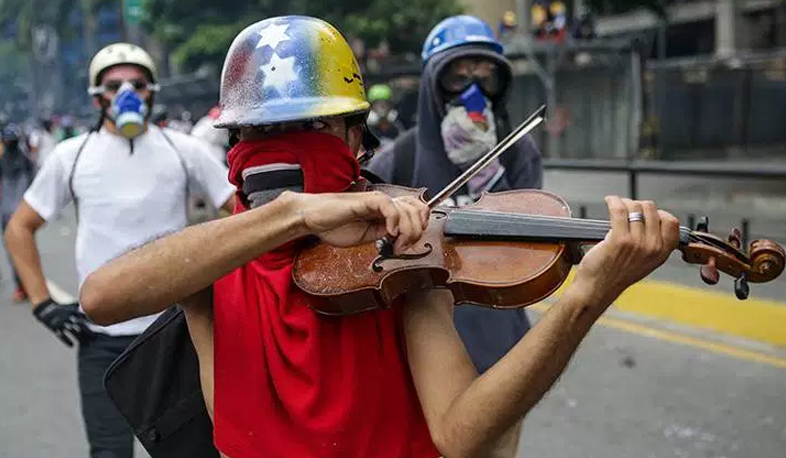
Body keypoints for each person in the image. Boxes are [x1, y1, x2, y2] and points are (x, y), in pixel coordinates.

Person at [79, 16, 681, 458]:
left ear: (352, 138)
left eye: (309, 126)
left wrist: (582, 299)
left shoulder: (401, 246)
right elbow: (102, 298)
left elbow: (459, 433)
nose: (285, 147)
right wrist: (295, 213)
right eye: (264, 132)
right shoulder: (211, 257)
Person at [4, 42, 235, 458]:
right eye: (114, 86)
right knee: (109, 452)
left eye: (137, 84)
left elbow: (242, 213)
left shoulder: (185, 151)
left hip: (176, 332)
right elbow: (20, 226)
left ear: (152, 91)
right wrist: (43, 303)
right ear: (97, 96)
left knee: (193, 450)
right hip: (102, 341)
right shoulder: (70, 156)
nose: (126, 93)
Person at [366, 15, 540, 401]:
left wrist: (490, 176)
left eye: (484, 77)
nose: (472, 92)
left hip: (497, 335)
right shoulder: (400, 156)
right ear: (433, 84)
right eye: (458, 77)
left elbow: (529, 252)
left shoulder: (516, 153)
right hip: (417, 337)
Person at [0, 123, 36, 302]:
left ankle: (24, 286)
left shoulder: (25, 161)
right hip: (15, 213)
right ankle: (23, 286)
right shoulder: (25, 160)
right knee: (19, 250)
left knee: (16, 250)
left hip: (15, 213)